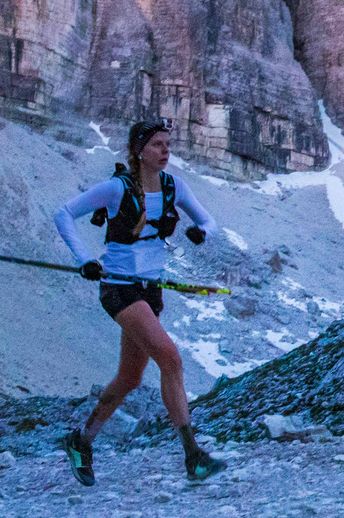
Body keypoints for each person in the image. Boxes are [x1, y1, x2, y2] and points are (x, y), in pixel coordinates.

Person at [52, 119, 226, 486]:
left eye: (168, 144)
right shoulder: (116, 189)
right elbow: (63, 214)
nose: (166, 150)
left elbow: (209, 220)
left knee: (130, 378)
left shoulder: (173, 186)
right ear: (138, 150)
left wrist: (201, 232)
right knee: (171, 357)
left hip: (150, 290)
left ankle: (81, 441)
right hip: (118, 288)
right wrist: (85, 258)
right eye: (158, 144)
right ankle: (193, 455)